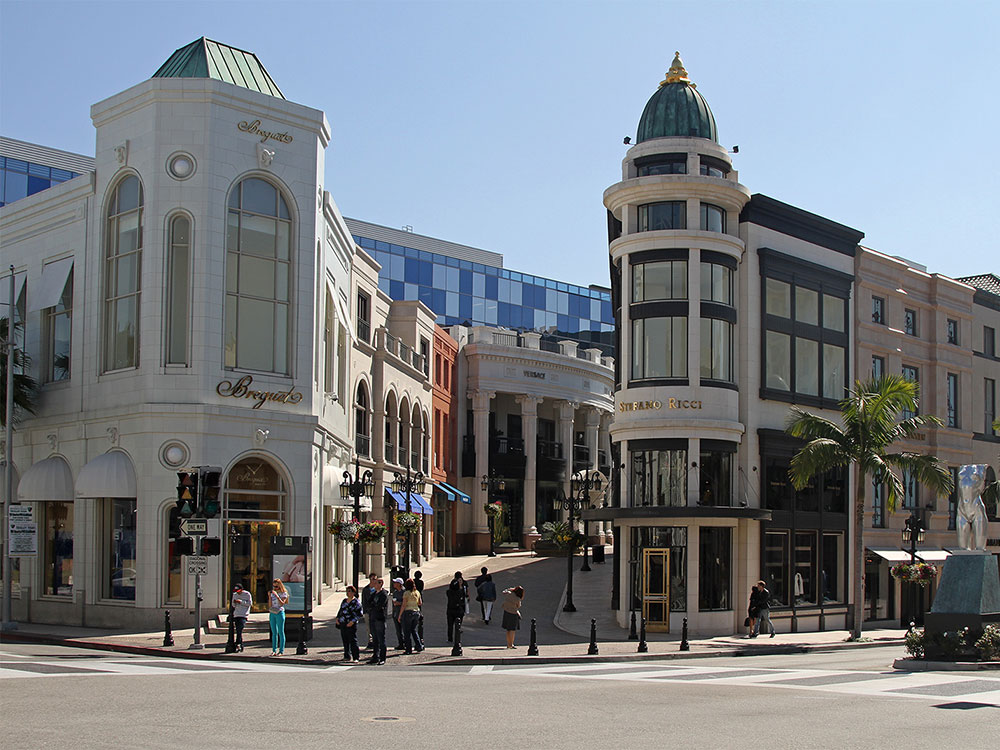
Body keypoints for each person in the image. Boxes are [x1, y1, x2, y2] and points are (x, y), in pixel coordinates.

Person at [336, 585, 364, 662]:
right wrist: (337, 618)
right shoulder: (344, 601)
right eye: (347, 591)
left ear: (353, 592)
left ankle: (356, 657)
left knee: (352, 640)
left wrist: (353, 621)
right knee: (345, 640)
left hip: (351, 623)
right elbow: (341, 610)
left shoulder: (356, 602)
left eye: (349, 591)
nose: (348, 593)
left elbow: (359, 614)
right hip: (343, 622)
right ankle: (346, 655)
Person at [366, 577, 389, 665]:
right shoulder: (374, 593)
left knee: (381, 639)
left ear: (380, 584)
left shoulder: (383, 594)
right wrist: (372, 606)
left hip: (379, 618)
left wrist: (373, 606)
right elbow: (368, 603)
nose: (374, 585)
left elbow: (380, 606)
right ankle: (375, 656)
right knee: (374, 639)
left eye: (376, 583)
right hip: (373, 617)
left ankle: (382, 658)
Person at [399, 578, 424, 654]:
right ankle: (419, 645)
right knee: (413, 630)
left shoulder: (406, 593)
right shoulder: (417, 592)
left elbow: (404, 605)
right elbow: (420, 603)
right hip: (416, 612)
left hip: (408, 612)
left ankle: (408, 649)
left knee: (407, 632)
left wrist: (400, 615)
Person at [268, 578, 290, 656]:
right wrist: (270, 597)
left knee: (281, 631)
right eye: (274, 587)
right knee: (274, 632)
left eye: (276, 587)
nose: (275, 588)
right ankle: (274, 650)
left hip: (280, 612)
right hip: (272, 612)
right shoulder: (272, 593)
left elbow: (282, 603)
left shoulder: (283, 593)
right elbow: (270, 605)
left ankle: (281, 650)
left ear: (280, 586)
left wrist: (277, 596)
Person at [231, 583, 252, 652]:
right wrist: (235, 602)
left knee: (240, 628)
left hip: (243, 614)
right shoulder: (235, 595)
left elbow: (249, 604)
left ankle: (238, 643)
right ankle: (240, 644)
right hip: (237, 613)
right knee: (238, 630)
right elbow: (233, 605)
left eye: (238, 590)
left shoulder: (247, 594)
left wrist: (241, 602)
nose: (237, 592)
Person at [360, 572, 378, 651]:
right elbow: (363, 601)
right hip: (368, 611)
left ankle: (375, 642)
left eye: (375, 579)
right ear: (370, 579)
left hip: (375, 612)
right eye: (373, 579)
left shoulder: (378, 589)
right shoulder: (366, 589)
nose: (374, 581)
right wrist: (364, 611)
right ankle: (370, 642)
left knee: (376, 627)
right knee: (368, 628)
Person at [390, 578, 405, 649]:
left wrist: (399, 603)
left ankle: (405, 643)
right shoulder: (395, 592)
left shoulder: (404, 592)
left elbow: (406, 603)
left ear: (399, 584)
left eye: (395, 582)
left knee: (404, 629)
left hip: (402, 613)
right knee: (398, 630)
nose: (394, 584)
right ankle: (400, 643)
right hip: (396, 613)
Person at [413, 571, 425, 640]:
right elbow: (421, 589)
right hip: (419, 597)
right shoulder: (421, 582)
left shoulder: (413, 581)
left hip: (415, 597)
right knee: (419, 609)